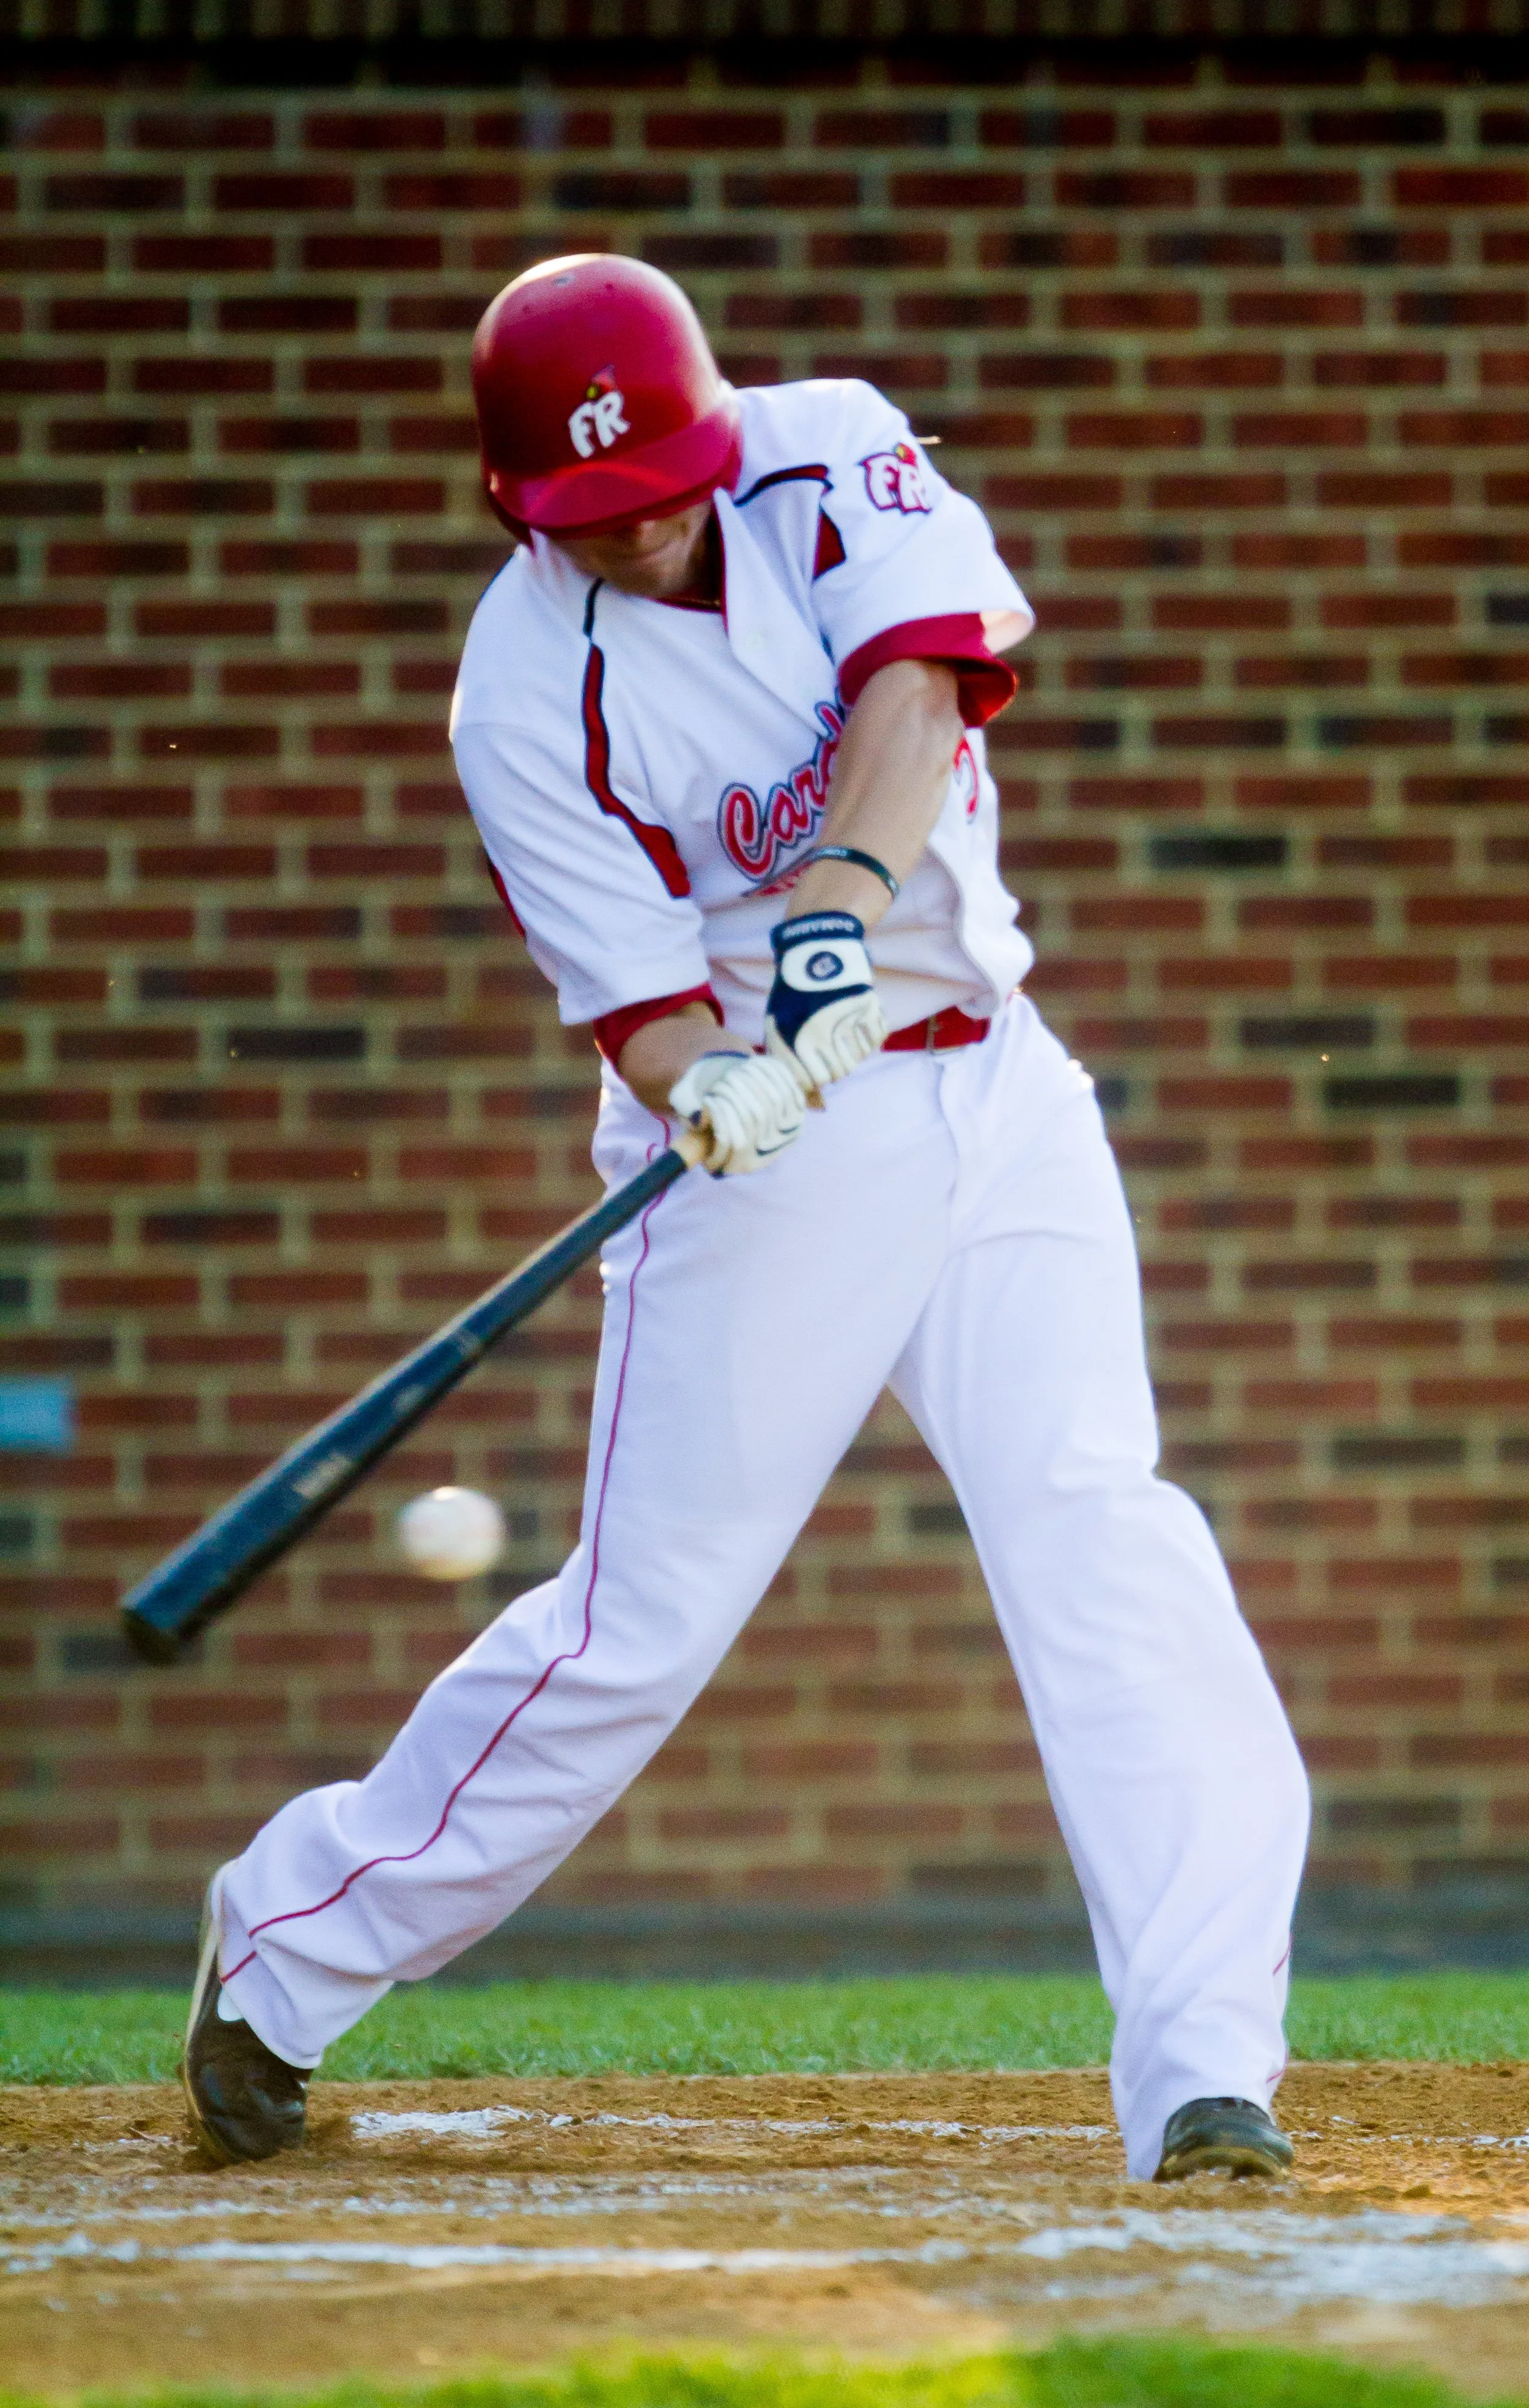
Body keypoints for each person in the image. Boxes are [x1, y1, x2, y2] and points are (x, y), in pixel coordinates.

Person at [183, 254, 1310, 2185]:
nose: (647, 530)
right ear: (525, 507)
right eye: (594, 516)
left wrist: (835, 912)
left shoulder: (825, 450)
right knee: (638, 1626)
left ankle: (1208, 2071)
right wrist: (725, 1071)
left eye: (666, 487)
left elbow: (920, 673)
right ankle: (286, 1954)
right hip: (773, 1147)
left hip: (997, 1087)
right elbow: (638, 1013)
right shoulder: (522, 691)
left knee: (1104, 1537)